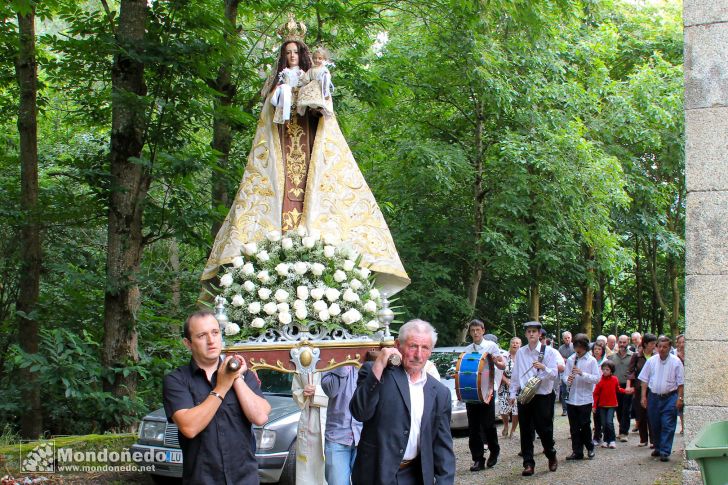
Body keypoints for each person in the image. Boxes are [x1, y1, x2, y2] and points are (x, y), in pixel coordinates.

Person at [202, 15, 410, 296]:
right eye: (287, 53)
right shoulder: (276, 81)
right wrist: (283, 93)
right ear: (282, 56)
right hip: (282, 145)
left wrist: (314, 99)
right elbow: (270, 112)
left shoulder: (313, 75)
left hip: (310, 142)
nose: (291, 57)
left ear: (303, 55)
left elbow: (324, 106)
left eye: (295, 52)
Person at [163, 311, 271, 484]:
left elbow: (260, 417)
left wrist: (236, 378)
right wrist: (222, 386)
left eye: (215, 332)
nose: (211, 341)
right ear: (188, 343)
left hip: (245, 478)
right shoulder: (176, 380)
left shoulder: (242, 374)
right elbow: (189, 427)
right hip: (202, 480)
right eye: (201, 335)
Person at [350, 319, 455, 485]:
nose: (418, 355)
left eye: (425, 348)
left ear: (431, 351)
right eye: (413, 346)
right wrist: (379, 365)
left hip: (415, 476)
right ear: (398, 345)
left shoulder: (440, 393)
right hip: (375, 474)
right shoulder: (376, 373)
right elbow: (360, 413)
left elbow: (442, 446)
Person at [509, 321, 560, 476]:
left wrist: (543, 367)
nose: (531, 334)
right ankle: (528, 463)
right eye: (528, 331)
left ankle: (551, 455)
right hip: (525, 395)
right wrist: (512, 393)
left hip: (543, 396)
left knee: (544, 429)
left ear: (539, 334)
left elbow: (554, 374)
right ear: (525, 334)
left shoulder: (549, 352)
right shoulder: (521, 352)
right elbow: (516, 375)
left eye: (534, 331)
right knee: (525, 430)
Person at [462, 320, 505, 471]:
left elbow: (502, 365)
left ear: (483, 330)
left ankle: (494, 450)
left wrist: (496, 361)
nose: (475, 333)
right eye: (472, 330)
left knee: (488, 425)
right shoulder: (467, 349)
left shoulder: (491, 346)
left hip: (487, 391)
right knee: (473, 428)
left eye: (477, 330)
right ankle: (478, 459)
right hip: (472, 392)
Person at [638, 336, 684, 462]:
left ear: (670, 348)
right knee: (655, 423)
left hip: (670, 397)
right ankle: (657, 447)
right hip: (653, 397)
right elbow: (644, 380)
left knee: (668, 424)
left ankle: (665, 451)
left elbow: (681, 383)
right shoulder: (651, 361)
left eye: (665, 347)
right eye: (660, 347)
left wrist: (680, 398)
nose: (662, 349)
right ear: (656, 347)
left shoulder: (676, 362)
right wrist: (643, 396)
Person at [321, 365, 362, 485]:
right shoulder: (332, 356)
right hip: (337, 436)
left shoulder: (370, 354)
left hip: (365, 436)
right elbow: (331, 391)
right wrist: (345, 363)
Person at [562, 333, 600, 461]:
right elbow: (564, 376)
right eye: (576, 347)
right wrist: (568, 380)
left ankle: (590, 448)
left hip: (585, 399)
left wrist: (582, 373)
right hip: (572, 398)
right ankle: (577, 451)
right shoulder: (571, 359)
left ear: (585, 347)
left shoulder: (592, 360)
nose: (577, 350)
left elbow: (596, 378)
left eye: (580, 347)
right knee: (573, 427)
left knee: (585, 425)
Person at [292, 371, 327, 484]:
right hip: (307, 416)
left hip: (327, 418)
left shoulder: (332, 362)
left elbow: (338, 394)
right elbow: (295, 390)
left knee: (324, 467)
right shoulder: (302, 363)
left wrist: (317, 391)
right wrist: (303, 392)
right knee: (305, 467)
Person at [593, 360, 634, 449]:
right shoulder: (600, 380)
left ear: (611, 370)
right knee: (604, 423)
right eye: (603, 369)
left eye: (607, 369)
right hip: (602, 405)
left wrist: (626, 391)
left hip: (612, 404)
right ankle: (605, 440)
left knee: (609, 422)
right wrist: (594, 406)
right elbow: (596, 393)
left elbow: (618, 389)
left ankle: (612, 440)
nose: (605, 371)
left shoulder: (614, 379)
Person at [627, 332, 657, 447]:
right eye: (651, 343)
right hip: (639, 388)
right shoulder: (637, 356)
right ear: (645, 344)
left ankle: (654, 441)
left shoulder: (656, 355)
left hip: (653, 388)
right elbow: (630, 371)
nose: (654, 346)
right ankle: (643, 439)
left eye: (655, 343)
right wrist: (629, 385)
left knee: (652, 414)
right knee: (641, 414)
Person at [608, 334, 634, 441]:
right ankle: (621, 429)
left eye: (624, 342)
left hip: (627, 386)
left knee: (626, 409)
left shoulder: (633, 356)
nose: (622, 344)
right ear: (618, 343)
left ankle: (624, 432)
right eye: (620, 342)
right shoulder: (611, 357)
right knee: (618, 409)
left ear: (628, 342)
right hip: (615, 387)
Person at [297, 46, 335, 117]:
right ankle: (311, 109)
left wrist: (325, 92)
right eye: (315, 58)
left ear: (323, 59)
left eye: (319, 58)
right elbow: (306, 79)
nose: (317, 60)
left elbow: (326, 81)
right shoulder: (311, 69)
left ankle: (319, 110)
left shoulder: (324, 70)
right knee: (306, 94)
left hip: (321, 86)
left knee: (320, 99)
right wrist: (302, 75)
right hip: (312, 85)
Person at [499, 337, 521, 438]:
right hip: (504, 385)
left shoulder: (522, 357)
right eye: (513, 343)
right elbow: (498, 372)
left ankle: (513, 430)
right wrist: (507, 381)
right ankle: (506, 426)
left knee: (516, 410)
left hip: (518, 387)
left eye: (517, 343)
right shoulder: (503, 356)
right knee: (504, 409)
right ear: (510, 344)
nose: (515, 345)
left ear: (520, 345)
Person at [590, 340, 607, 446]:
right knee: (595, 414)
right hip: (592, 390)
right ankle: (596, 435)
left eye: (599, 349)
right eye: (595, 349)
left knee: (602, 414)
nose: (597, 351)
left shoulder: (605, 362)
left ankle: (604, 434)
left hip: (603, 391)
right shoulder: (590, 361)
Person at [558, 331, 575, 417]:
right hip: (564, 372)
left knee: (573, 390)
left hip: (574, 372)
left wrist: (567, 359)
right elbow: (559, 360)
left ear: (571, 338)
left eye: (568, 338)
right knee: (564, 391)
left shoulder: (575, 347)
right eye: (565, 338)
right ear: (563, 339)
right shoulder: (560, 348)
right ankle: (565, 409)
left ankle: (573, 408)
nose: (567, 339)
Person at [675, 334, 685, 434]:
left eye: (684, 342)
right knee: (680, 404)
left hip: (688, 382)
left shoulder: (691, 354)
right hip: (678, 383)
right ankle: (683, 426)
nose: (682, 344)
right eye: (680, 342)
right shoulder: (674, 354)